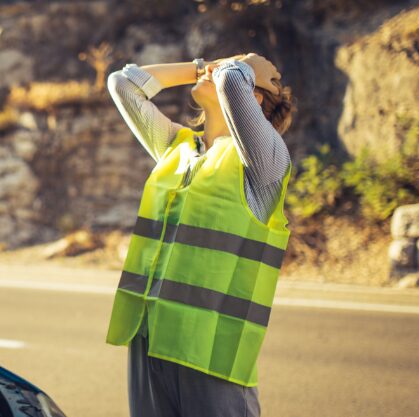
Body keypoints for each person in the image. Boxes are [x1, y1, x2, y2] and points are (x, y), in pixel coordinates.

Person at [103, 53, 295, 417]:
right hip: (149, 340)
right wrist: (198, 67)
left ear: (252, 100)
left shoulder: (266, 164)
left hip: (211, 353)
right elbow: (123, 84)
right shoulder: (179, 148)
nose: (221, 67)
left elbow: (230, 82)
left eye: (239, 69)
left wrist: (247, 64)